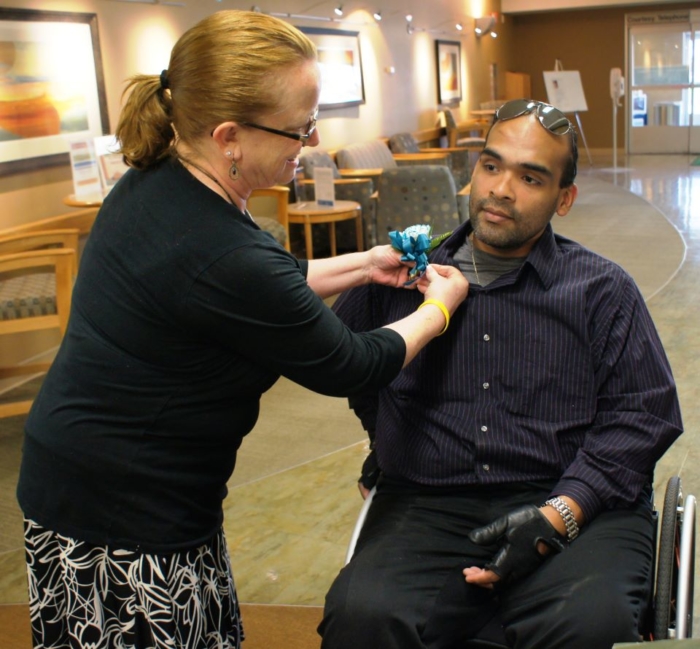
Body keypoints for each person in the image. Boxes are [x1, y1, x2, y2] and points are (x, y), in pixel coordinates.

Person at [16, 11, 468, 649]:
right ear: (229, 135)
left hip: (95, 481)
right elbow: (353, 362)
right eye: (299, 128)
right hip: (121, 514)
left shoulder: (164, 181)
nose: (309, 141)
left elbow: (264, 283)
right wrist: (439, 308)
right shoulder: (215, 248)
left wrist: (365, 265)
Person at [319, 99, 683, 649]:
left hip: (572, 502)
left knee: (591, 627)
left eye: (530, 177)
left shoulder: (601, 292)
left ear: (564, 199)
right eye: (492, 166)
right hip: (431, 502)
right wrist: (393, 443)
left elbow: (642, 416)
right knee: (362, 618)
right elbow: (352, 372)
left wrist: (561, 513)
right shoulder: (398, 282)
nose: (501, 189)